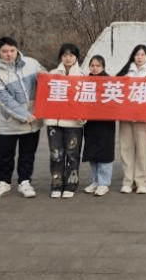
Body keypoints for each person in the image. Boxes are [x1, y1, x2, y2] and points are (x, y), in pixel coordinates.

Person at [0, 36, 45, 199]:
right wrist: (24, 115)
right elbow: (4, 100)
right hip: (10, 123)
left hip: (33, 121)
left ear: (17, 50)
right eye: (4, 51)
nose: (9, 54)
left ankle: (24, 182)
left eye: (12, 50)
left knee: (28, 153)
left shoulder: (31, 64)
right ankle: (3, 183)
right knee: (6, 154)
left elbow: (47, 81)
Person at [116, 44, 146, 194]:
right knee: (126, 148)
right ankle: (128, 181)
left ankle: (141, 181)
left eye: (142, 55)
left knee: (142, 149)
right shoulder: (125, 73)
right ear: (133, 56)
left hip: (143, 117)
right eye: (137, 54)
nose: (139, 57)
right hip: (126, 116)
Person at [45, 43, 85, 198]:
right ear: (60, 57)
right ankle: (56, 184)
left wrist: (83, 117)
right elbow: (45, 96)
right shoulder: (52, 74)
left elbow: (86, 101)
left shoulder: (82, 75)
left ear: (76, 57)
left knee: (72, 154)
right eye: (65, 55)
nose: (68, 58)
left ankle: (71, 184)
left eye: (71, 55)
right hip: (54, 122)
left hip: (74, 123)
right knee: (56, 154)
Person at [82, 55, 116, 197]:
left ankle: (104, 183)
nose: (95, 68)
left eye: (98, 66)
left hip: (105, 123)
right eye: (92, 65)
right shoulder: (85, 82)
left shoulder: (110, 82)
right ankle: (95, 180)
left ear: (103, 67)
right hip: (90, 123)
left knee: (104, 154)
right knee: (92, 152)